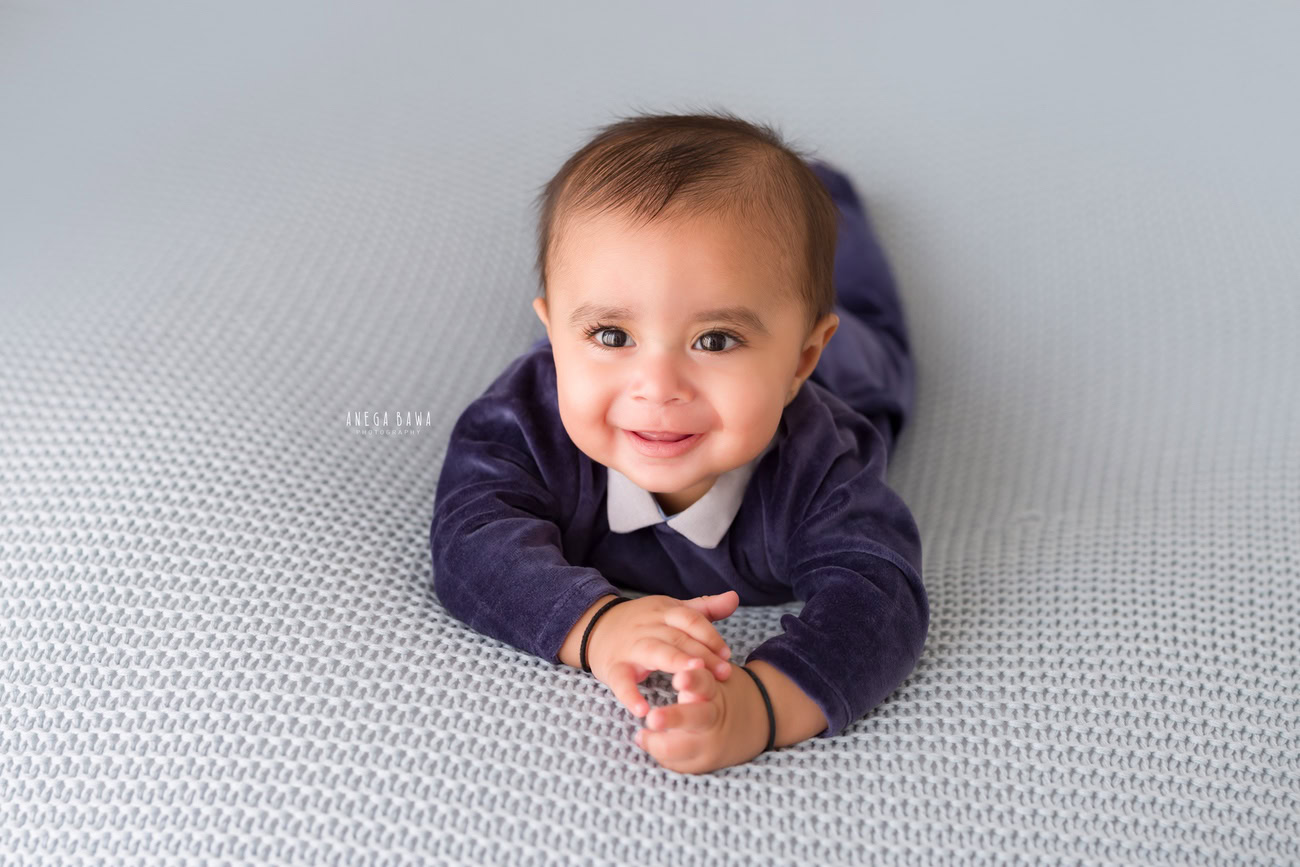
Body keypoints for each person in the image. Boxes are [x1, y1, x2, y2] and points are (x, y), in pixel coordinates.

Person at [430, 110, 927, 774]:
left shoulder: (824, 465)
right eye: (612, 335)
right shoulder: (523, 419)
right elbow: (469, 540)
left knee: (868, 319)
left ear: (802, 359)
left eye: (715, 340)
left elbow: (880, 597)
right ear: (553, 335)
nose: (658, 388)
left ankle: (832, 194)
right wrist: (597, 626)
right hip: (592, 366)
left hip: (851, 377)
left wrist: (761, 705)